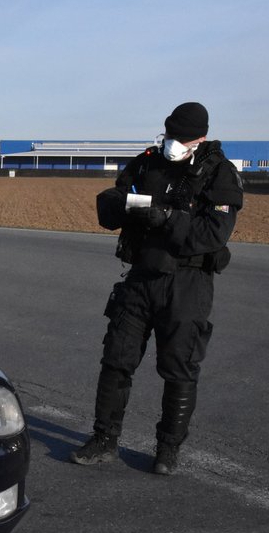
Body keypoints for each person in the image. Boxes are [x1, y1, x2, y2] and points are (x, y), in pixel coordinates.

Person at [71, 102, 243, 474]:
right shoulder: (148, 161)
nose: (174, 144)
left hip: (188, 284)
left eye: (182, 138)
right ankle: (104, 440)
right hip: (141, 278)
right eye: (170, 135)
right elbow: (113, 198)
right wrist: (129, 205)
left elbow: (213, 232)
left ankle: (168, 449)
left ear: (201, 137)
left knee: (179, 367)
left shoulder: (219, 173)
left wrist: (166, 219)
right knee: (116, 358)